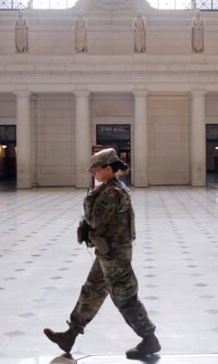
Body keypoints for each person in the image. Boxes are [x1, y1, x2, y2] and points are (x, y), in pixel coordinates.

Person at [44, 148, 160, 359]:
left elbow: (95, 220)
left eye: (96, 170)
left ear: (108, 168)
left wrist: (89, 198)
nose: (93, 174)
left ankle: (149, 339)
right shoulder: (111, 188)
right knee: (92, 291)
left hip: (115, 256)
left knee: (125, 299)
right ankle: (70, 335)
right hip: (108, 253)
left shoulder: (111, 192)